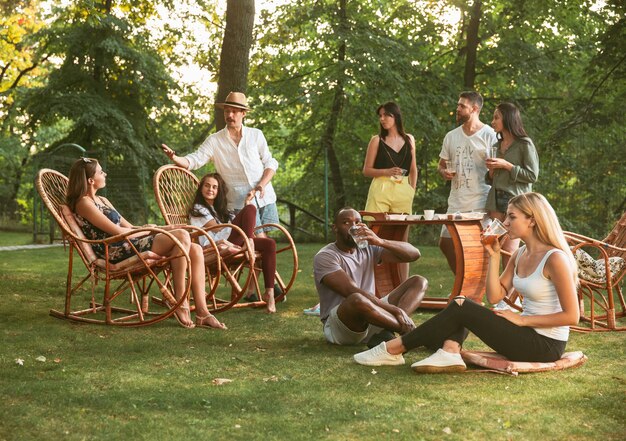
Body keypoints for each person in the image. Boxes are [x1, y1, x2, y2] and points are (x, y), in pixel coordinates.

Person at [353, 192, 579, 372]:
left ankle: (394, 349)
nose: (505, 222)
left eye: (512, 216)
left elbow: (572, 316)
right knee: (463, 302)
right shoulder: (520, 254)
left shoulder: (555, 259)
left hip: (545, 345)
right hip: (525, 335)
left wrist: (521, 320)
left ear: (532, 220)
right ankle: (450, 351)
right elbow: (495, 296)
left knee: (462, 306)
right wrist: (494, 256)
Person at [66, 158, 226, 329]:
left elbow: (130, 227)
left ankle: (202, 312)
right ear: (90, 180)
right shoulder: (84, 203)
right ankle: (180, 303)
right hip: (113, 250)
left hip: (129, 242)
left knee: (194, 248)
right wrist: (153, 231)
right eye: (100, 172)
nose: (105, 174)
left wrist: (160, 227)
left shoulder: (103, 201)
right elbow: (118, 232)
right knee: (182, 235)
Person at [161, 91, 278, 237]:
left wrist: (262, 185)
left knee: (268, 240)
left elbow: (270, 162)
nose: (229, 115)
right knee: (255, 241)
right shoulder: (214, 140)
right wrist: (176, 158)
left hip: (264, 197)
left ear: (243, 113)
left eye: (234, 111)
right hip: (238, 202)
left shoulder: (256, 135)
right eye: (227, 111)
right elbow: (195, 160)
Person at [314, 207, 428, 347]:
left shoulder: (367, 248)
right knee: (356, 298)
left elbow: (414, 254)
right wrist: (396, 311)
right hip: (342, 326)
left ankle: (385, 333)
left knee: (418, 281)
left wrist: (380, 241)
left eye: (357, 222)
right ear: (335, 228)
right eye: (346, 222)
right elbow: (352, 291)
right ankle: (413, 334)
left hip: (372, 315)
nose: (353, 227)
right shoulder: (325, 256)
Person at [188, 173, 278, 313]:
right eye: (207, 185)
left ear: (219, 191)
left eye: (214, 187)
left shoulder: (220, 209)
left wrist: (244, 210)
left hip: (231, 239)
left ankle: (269, 293)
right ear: (201, 188)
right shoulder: (198, 208)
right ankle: (249, 242)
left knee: (269, 244)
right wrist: (242, 217)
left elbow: (236, 224)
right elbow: (217, 228)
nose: (210, 189)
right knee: (250, 209)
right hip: (215, 245)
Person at [438, 91, 497, 274]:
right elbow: (440, 165)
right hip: (456, 200)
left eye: (462, 106)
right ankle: (464, 280)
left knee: (479, 246)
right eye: (458, 105)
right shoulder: (451, 136)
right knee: (445, 242)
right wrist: (443, 172)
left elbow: (497, 172)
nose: (457, 109)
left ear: (474, 109)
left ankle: (478, 286)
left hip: (480, 200)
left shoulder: (490, 135)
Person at [486, 102, 539, 267]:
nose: (492, 121)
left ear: (508, 119)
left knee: (509, 252)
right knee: (493, 249)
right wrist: (491, 172)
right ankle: (496, 291)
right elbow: (490, 180)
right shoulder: (496, 146)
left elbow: (532, 175)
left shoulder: (525, 144)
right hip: (496, 201)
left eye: (496, 117)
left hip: (516, 202)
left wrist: (506, 165)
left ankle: (511, 292)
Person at [363, 102, 418, 215]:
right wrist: (386, 171)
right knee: (376, 230)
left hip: (403, 190)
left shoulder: (409, 139)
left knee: (401, 230)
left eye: (386, 115)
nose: (382, 119)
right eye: (380, 116)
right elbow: (366, 170)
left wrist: (411, 190)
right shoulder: (376, 140)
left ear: (396, 116)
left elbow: (413, 169)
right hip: (380, 189)